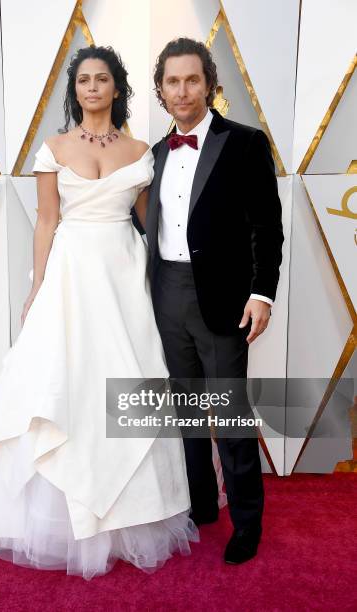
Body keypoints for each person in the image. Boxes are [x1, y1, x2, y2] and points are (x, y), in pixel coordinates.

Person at [0, 45, 198, 580]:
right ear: (76, 89)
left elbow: (150, 223)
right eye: (84, 80)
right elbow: (46, 221)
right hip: (69, 275)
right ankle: (59, 513)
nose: (92, 87)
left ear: (117, 88)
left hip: (123, 276)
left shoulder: (139, 150)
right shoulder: (54, 148)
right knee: (65, 382)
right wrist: (37, 286)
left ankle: (131, 511)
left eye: (102, 79)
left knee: (123, 377)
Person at [144, 38, 284, 564]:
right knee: (185, 414)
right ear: (161, 90)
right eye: (172, 81)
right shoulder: (155, 154)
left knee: (229, 418)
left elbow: (266, 228)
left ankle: (246, 524)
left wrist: (261, 293)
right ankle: (201, 505)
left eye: (192, 79)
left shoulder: (245, 143)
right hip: (165, 297)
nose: (183, 91)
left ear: (210, 84)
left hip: (224, 301)